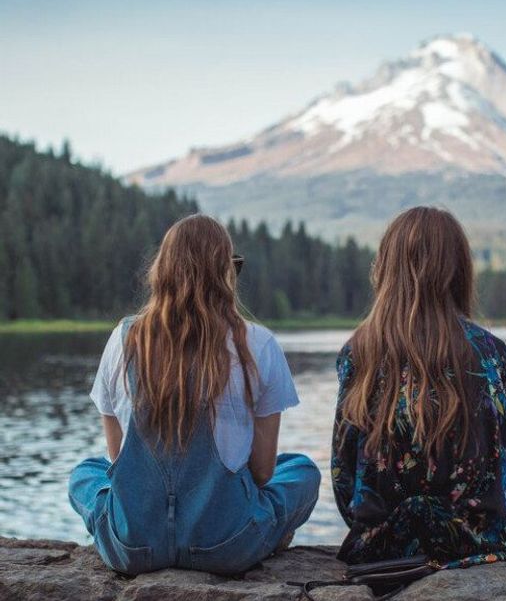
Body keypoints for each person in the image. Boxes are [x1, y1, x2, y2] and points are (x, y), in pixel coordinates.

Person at [68, 215, 320, 575]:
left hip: (135, 547)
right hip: (226, 546)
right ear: (226, 274)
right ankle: (268, 531)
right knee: (301, 470)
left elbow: (117, 461)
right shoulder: (258, 343)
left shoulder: (124, 338)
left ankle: (115, 530)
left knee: (86, 472)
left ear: (162, 271)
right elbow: (263, 473)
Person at [330, 206, 506, 569]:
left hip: (383, 550)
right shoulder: (489, 352)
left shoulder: (358, 352)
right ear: (459, 271)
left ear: (386, 268)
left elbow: (343, 476)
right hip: (478, 546)